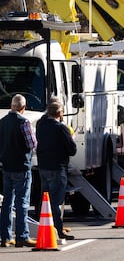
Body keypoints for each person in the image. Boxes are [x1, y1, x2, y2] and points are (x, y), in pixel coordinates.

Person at [36, 100, 77, 241]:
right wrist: (71, 138)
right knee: (55, 202)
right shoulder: (61, 128)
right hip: (57, 168)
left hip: (43, 167)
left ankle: (43, 226)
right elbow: (72, 150)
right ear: (60, 113)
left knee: (45, 200)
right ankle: (58, 230)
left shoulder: (41, 125)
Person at [0, 94, 37, 248]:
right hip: (22, 166)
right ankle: (22, 236)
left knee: (7, 202)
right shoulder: (24, 122)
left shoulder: (2, 122)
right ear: (23, 107)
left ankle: (6, 237)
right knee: (22, 202)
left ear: (11, 106)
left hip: (6, 166)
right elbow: (31, 144)